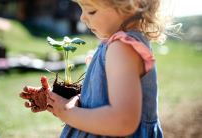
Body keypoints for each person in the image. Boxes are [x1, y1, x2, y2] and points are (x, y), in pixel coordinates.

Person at [20, 0, 181, 137]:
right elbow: (100, 100)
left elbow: (123, 121)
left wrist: (68, 113)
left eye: (91, 10)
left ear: (130, 5)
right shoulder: (123, 45)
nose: (82, 17)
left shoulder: (122, 48)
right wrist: (56, 101)